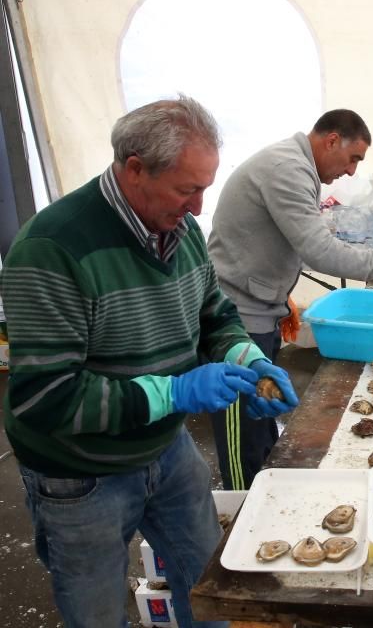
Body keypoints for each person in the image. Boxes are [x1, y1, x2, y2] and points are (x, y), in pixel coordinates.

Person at [1, 96, 297, 628]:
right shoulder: (51, 249)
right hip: (80, 474)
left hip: (166, 449)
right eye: (188, 189)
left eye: (205, 187)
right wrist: (175, 393)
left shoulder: (181, 231)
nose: (200, 207)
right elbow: (45, 397)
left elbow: (214, 314)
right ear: (134, 169)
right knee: (96, 613)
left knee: (210, 584)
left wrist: (247, 357)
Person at [207, 109, 373, 490]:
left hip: (260, 308)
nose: (353, 171)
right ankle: (241, 513)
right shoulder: (287, 169)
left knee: (262, 417)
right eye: (353, 158)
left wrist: (279, 297)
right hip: (236, 320)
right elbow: (320, 251)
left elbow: (283, 242)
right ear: (331, 141)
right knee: (242, 429)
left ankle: (266, 492)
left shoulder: (295, 165)